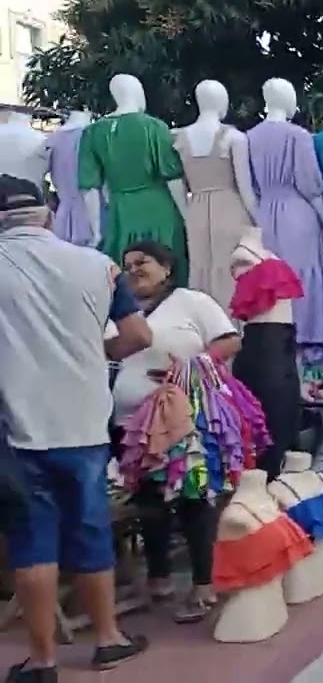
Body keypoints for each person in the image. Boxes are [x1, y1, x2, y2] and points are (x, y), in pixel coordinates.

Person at [0, 175, 149, 682]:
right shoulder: (99, 266)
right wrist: (94, 355)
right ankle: (108, 639)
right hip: (84, 423)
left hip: (16, 430)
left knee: (31, 540)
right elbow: (137, 335)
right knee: (89, 527)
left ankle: (43, 662)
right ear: (46, 214)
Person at [112, 239, 242, 624]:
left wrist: (188, 367)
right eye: (128, 264)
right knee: (148, 502)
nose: (134, 269)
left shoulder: (191, 302)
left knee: (193, 498)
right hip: (131, 425)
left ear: (166, 268)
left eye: (143, 262)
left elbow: (230, 340)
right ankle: (159, 579)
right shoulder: (120, 310)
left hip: (184, 421)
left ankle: (203, 583)